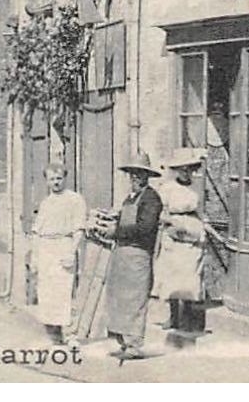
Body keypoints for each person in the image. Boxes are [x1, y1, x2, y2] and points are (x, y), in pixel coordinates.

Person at [102, 151, 163, 360]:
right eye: (132, 174)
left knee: (135, 299)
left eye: (140, 174)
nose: (135, 178)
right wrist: (112, 221)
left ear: (147, 176)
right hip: (122, 253)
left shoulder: (151, 199)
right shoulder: (129, 199)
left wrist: (117, 232)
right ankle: (123, 343)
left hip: (138, 254)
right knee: (119, 298)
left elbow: (145, 228)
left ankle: (135, 345)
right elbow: (124, 221)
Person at [25, 164, 86, 344]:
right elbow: (36, 232)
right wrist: (35, 257)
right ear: (47, 181)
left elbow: (79, 229)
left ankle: (69, 333)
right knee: (47, 292)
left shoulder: (75, 200)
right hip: (46, 249)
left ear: (64, 178)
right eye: (52, 179)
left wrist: (71, 252)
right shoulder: (46, 202)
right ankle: (54, 335)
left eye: (59, 178)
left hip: (64, 246)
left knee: (63, 290)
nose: (56, 182)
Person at [153, 148, 208, 333]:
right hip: (173, 230)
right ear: (176, 170)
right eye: (182, 169)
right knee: (172, 276)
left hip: (192, 229)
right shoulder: (167, 188)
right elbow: (160, 212)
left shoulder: (197, 187)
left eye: (189, 169)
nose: (186, 172)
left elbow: (200, 211)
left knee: (190, 276)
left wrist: (201, 227)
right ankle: (174, 316)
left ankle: (189, 318)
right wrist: (169, 221)